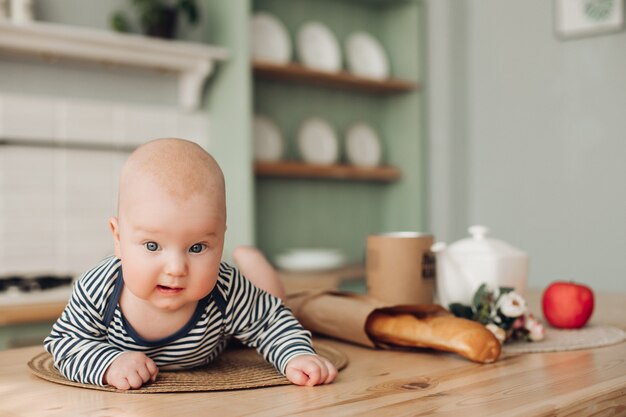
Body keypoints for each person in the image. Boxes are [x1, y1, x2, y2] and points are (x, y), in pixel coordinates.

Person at [44, 138, 336, 390]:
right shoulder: (100, 288)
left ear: (220, 240)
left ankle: (250, 257)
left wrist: (296, 356)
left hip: (224, 337)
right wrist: (108, 363)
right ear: (118, 239)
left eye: (197, 247)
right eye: (152, 246)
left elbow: (270, 321)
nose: (176, 268)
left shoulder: (225, 287)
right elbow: (64, 343)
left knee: (274, 302)